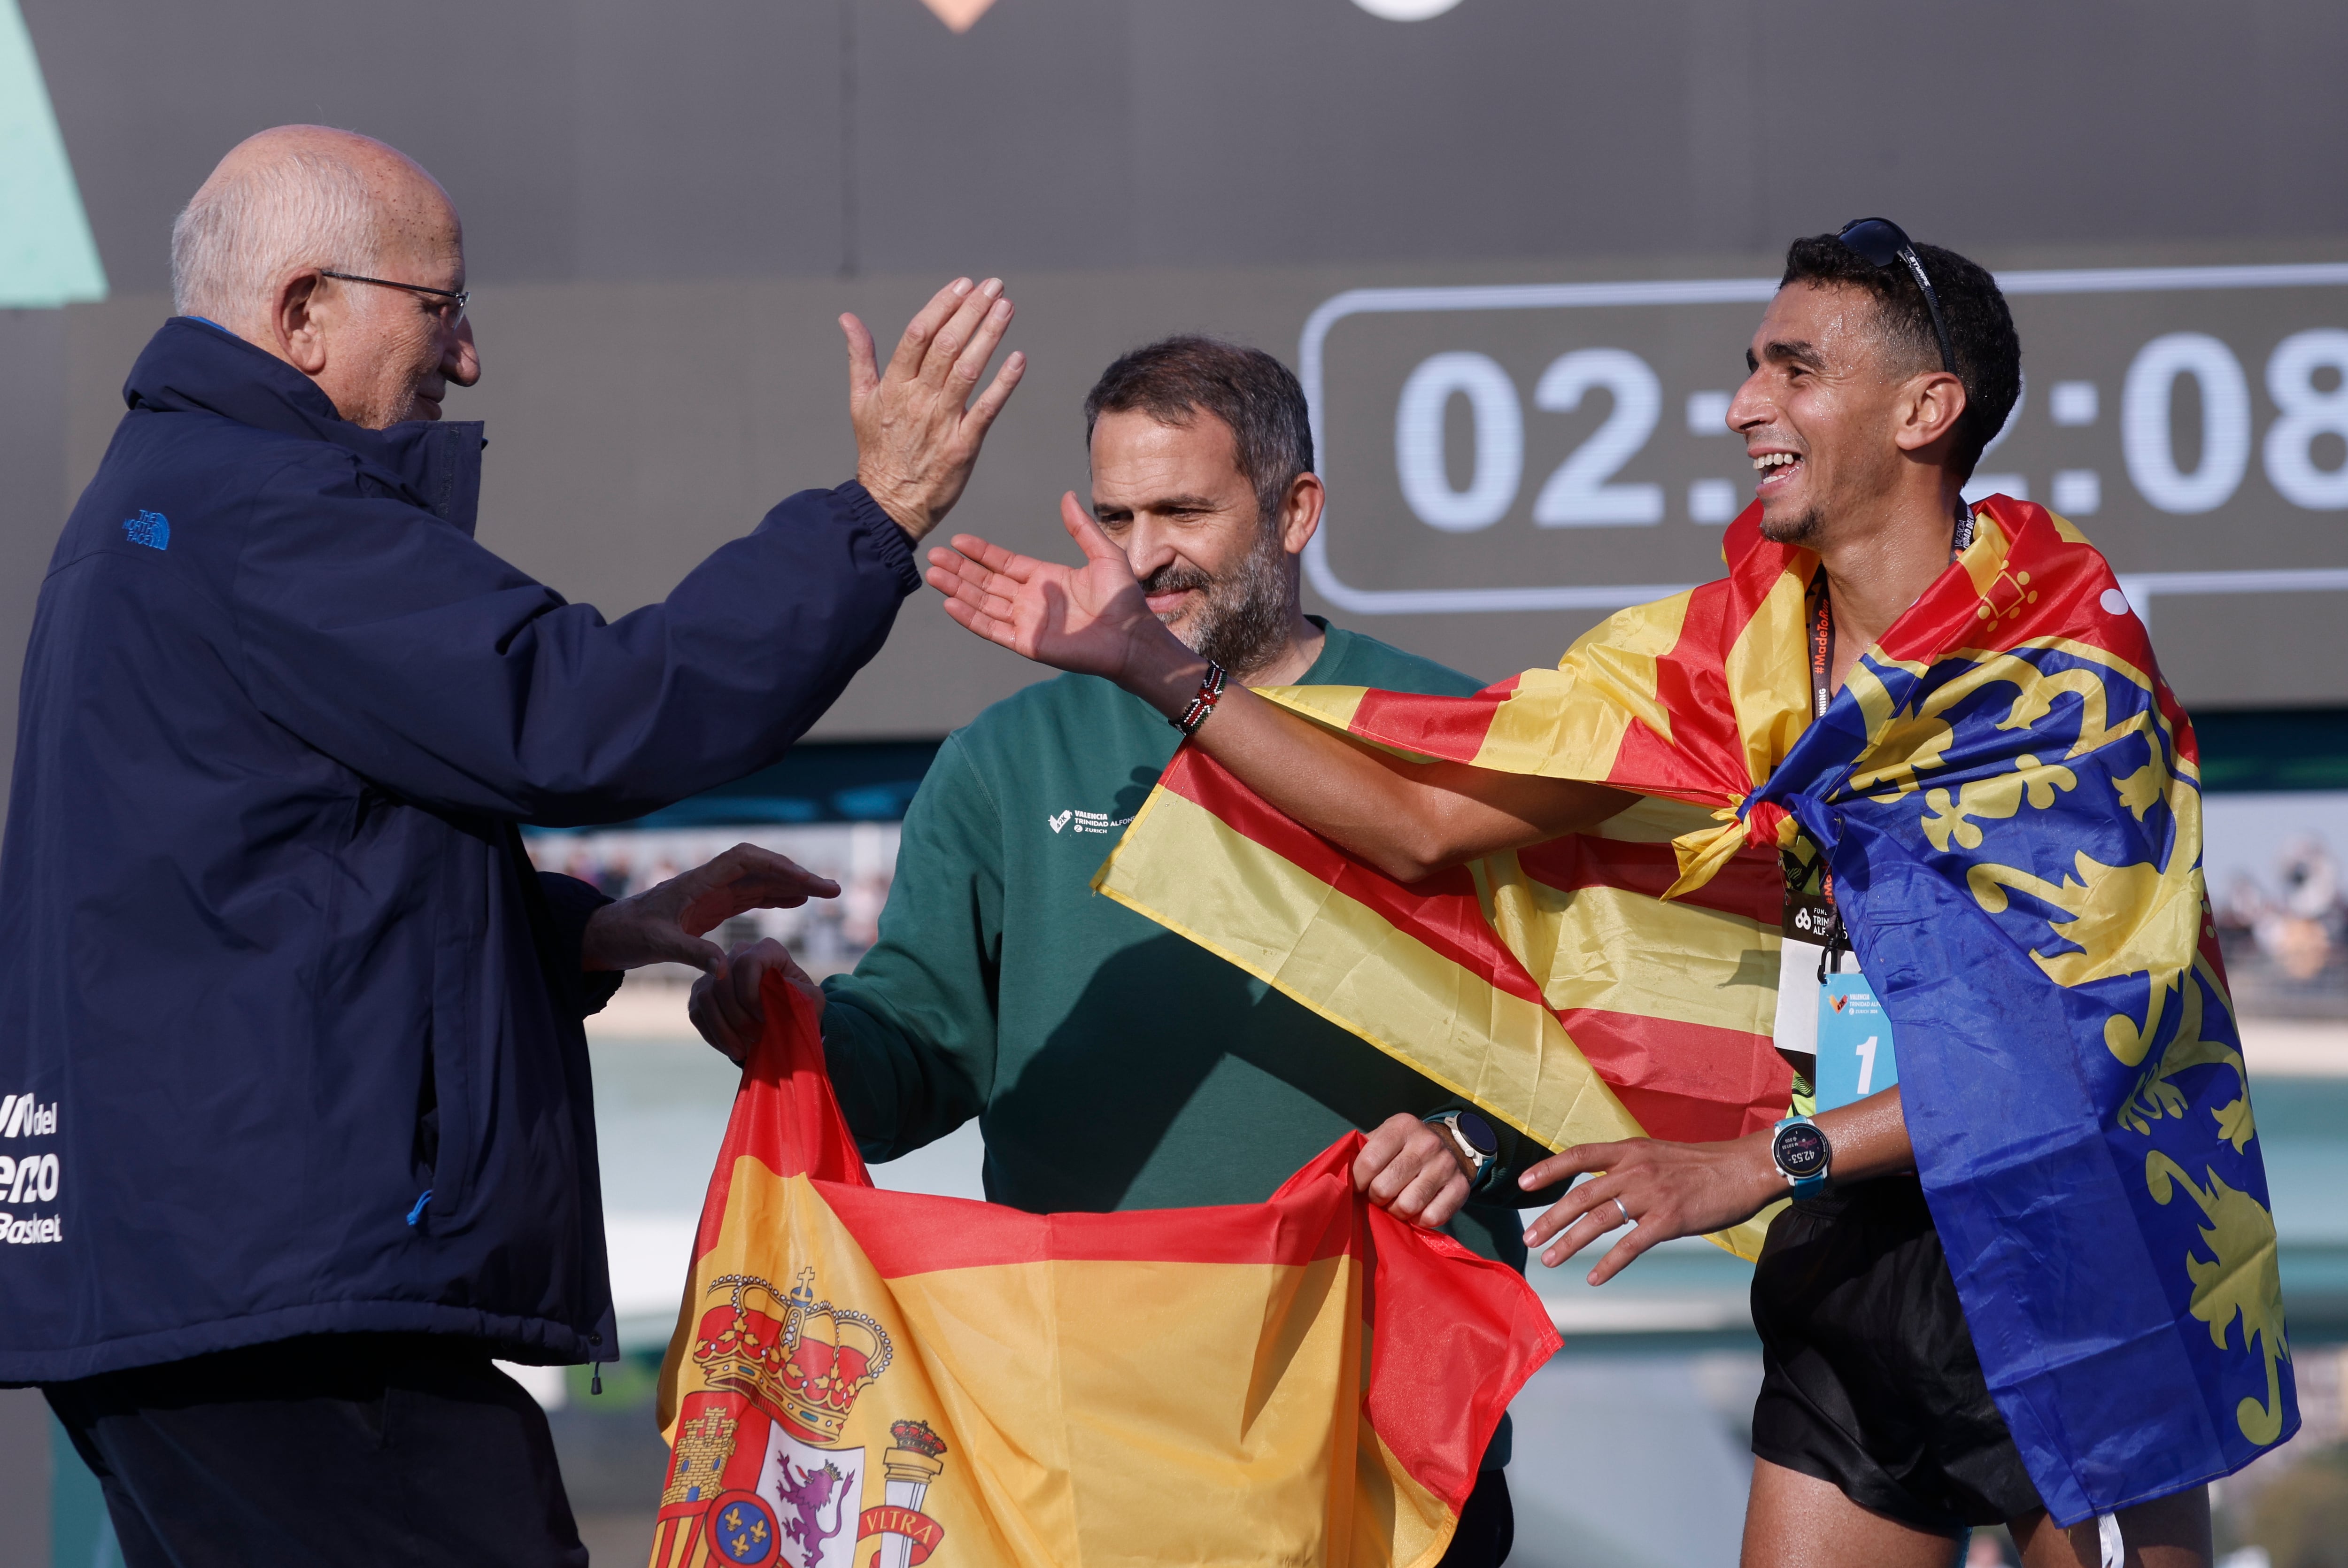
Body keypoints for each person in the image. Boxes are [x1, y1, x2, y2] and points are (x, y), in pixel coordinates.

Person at [925, 228, 2268, 1568]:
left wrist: (1756, 1162)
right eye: (1752, 368)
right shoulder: (1718, 653)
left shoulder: (2068, 678)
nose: (1747, 405)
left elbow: (2086, 1042)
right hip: (1851, 1255)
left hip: (2073, 1252)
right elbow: (1419, 822)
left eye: (1795, 371)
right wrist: (1158, 670)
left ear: (1926, 409)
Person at [0, 125, 1024, 1565]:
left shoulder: (165, 505)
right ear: (302, 311)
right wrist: (875, 523)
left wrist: (569, 935)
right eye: (439, 307)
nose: (467, 356)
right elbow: (592, 711)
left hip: (213, 1285)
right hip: (296, 1307)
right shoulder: (256, 506)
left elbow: (241, 887)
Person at [691, 336, 1533, 1566]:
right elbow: (910, 1064)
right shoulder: (1005, 759)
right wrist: (787, 1024)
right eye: (1119, 512)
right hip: (1094, 1442)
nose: (1143, 555)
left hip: (1380, 1428)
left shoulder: (1452, 735)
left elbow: (1589, 1051)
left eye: (1184, 509)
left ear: (1298, 510)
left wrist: (1473, 1135)